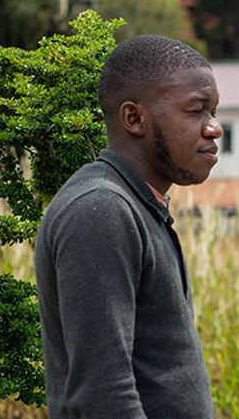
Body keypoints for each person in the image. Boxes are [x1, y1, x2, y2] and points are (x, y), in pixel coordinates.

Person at [34, 35, 222, 419]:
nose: (213, 128)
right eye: (196, 111)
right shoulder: (100, 210)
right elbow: (102, 393)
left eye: (214, 112)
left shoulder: (139, 206)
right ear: (134, 118)